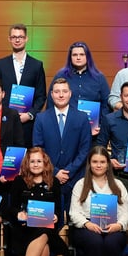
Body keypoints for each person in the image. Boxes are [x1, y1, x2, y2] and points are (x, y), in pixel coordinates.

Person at [68, 147, 128, 256]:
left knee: (112, 243)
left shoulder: (118, 185)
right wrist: (87, 223)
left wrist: (119, 225)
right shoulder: (80, 184)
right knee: (95, 242)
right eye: (95, 161)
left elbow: (126, 213)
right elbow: (74, 213)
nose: (98, 165)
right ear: (89, 164)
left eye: (102, 162)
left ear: (108, 164)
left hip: (113, 227)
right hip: (86, 227)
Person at [7, 147, 65, 256]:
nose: (36, 164)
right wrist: (18, 214)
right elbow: (10, 209)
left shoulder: (54, 183)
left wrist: (55, 216)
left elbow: (58, 211)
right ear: (27, 163)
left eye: (39, 161)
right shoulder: (19, 181)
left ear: (45, 163)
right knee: (44, 245)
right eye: (32, 161)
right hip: (24, 231)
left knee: (44, 234)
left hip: (46, 230)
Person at [33, 77, 92, 207]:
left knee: (74, 216)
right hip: (48, 178)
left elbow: (85, 149)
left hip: (75, 178)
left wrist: (69, 171)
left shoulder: (82, 118)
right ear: (51, 94)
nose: (61, 95)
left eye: (64, 91)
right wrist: (55, 171)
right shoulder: (41, 118)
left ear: (70, 93)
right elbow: (38, 149)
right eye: (57, 91)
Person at [0, 23, 47, 145]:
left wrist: (30, 115)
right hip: (5, 121)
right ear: (9, 39)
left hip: (28, 124)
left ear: (26, 38)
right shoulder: (1, 64)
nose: (17, 40)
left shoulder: (37, 65)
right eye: (14, 37)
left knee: (27, 156)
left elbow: (41, 95)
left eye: (20, 37)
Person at [50, 41, 110, 136]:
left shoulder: (99, 77)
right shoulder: (61, 75)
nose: (78, 58)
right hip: (66, 129)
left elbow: (106, 104)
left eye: (82, 54)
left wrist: (101, 125)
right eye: (75, 55)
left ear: (87, 56)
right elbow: (51, 101)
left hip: (93, 131)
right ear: (70, 57)